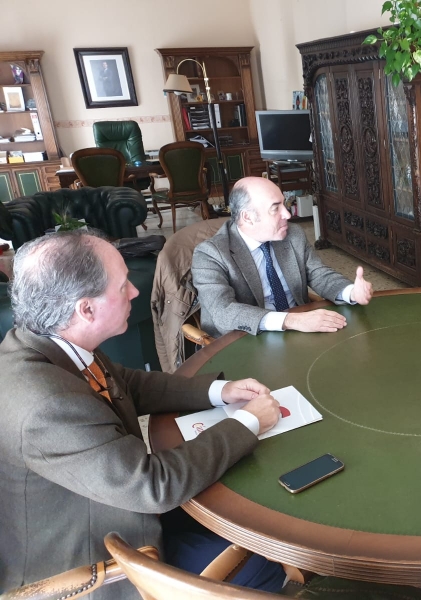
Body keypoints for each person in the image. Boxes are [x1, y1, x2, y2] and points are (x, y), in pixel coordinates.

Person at [0, 230, 286, 598]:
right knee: (262, 567)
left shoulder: (49, 340)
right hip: (96, 553)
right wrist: (246, 422)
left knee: (245, 507)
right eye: (122, 287)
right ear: (85, 308)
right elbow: (154, 486)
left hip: (111, 496)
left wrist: (218, 391)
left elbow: (126, 383)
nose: (135, 292)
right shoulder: (47, 406)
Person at [192, 177, 373, 337]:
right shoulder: (210, 254)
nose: (287, 214)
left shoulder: (292, 234)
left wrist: (351, 292)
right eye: (275, 208)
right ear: (247, 218)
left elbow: (319, 274)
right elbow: (224, 312)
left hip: (299, 331)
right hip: (246, 337)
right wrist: (293, 321)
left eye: (284, 204)